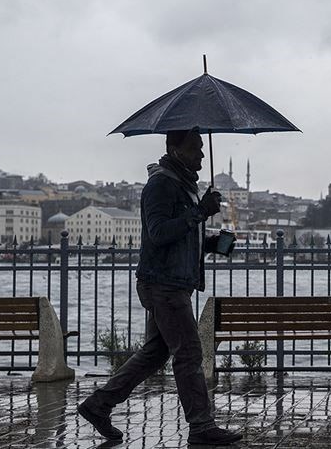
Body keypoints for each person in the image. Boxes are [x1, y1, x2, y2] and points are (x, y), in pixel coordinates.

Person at [77, 129, 242, 445]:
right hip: (163, 284)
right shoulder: (161, 184)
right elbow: (159, 232)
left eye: (202, 148)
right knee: (189, 352)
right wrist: (200, 212)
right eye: (195, 148)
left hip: (173, 283)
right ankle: (201, 426)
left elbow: (183, 236)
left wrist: (216, 244)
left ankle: (99, 405)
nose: (201, 154)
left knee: (156, 353)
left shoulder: (183, 185)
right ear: (175, 149)